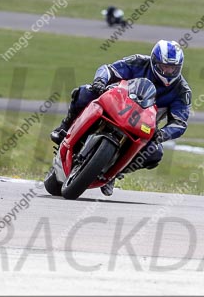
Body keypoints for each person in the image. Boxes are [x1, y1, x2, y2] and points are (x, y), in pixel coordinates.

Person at [50, 40, 192, 196]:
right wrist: (100, 81)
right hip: (117, 103)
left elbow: (180, 123)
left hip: (142, 124)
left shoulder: (182, 91)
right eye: (164, 67)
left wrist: (162, 134)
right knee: (85, 92)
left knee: (155, 153)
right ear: (154, 61)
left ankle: (115, 173)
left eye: (173, 68)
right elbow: (109, 69)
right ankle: (65, 127)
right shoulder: (138, 61)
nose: (168, 72)